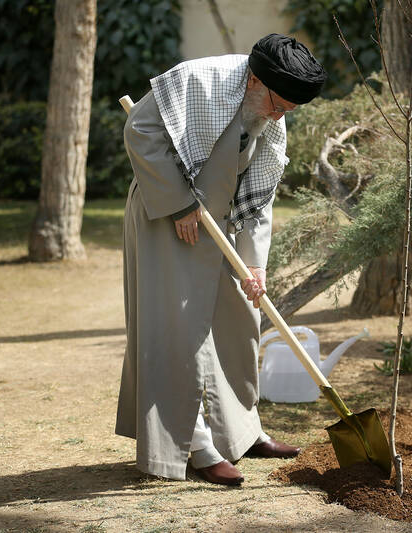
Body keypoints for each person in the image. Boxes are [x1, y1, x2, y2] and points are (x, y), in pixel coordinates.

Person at [114, 34, 326, 486]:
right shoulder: (196, 80)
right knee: (179, 331)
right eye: (278, 104)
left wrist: (255, 264)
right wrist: (179, 204)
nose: (279, 115)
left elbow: (260, 195)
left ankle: (242, 433)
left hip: (223, 225)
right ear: (253, 80)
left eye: (289, 108)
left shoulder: (269, 112)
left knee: (238, 323)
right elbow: (140, 132)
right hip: (168, 219)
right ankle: (197, 447)